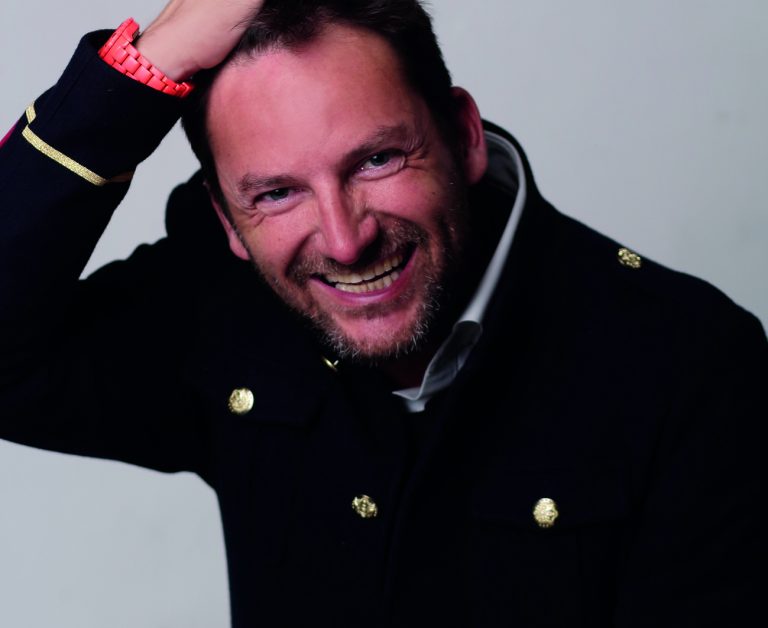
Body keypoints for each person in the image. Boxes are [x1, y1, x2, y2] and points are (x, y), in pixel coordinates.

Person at [1, 0, 766, 626]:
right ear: (228, 221)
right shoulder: (221, 297)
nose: (344, 240)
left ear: (464, 135)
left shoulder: (691, 367)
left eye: (376, 160)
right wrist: (142, 68)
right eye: (277, 193)